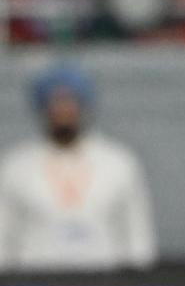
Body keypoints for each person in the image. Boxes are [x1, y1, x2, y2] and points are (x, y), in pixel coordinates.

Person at [0, 64, 157, 272]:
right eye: (56, 102)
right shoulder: (15, 165)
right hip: (36, 280)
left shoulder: (118, 162)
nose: (63, 110)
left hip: (104, 279)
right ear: (42, 108)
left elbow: (137, 232)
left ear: (84, 105)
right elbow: (4, 231)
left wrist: (139, 280)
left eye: (70, 101)